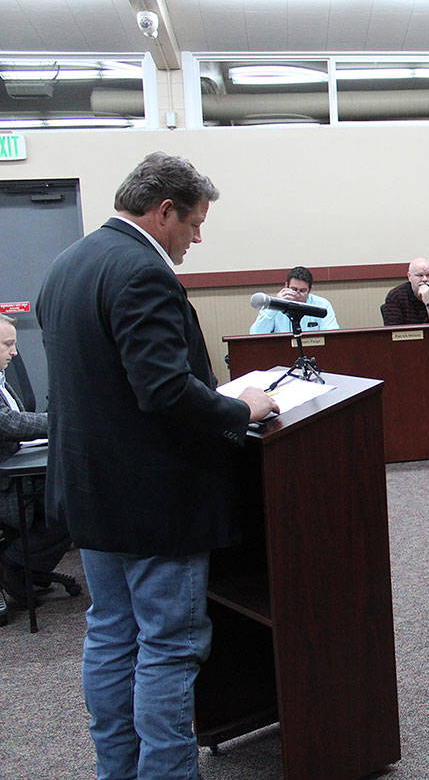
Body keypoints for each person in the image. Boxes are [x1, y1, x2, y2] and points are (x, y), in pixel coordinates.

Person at [37, 152, 278, 778]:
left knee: (110, 637)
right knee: (168, 649)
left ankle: (116, 770)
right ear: (164, 210)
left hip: (92, 498)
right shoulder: (142, 271)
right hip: (153, 506)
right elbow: (165, 389)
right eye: (195, 222)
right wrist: (238, 409)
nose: (198, 237)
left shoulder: (67, 264)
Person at [0, 315, 72, 608]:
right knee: (68, 505)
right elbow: (6, 424)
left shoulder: (2, 377)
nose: (14, 352)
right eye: (7, 344)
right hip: (5, 483)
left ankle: (27, 565)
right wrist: (58, 421)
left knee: (74, 495)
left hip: (17, 465)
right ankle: (15, 562)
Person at [248, 265, 339, 334]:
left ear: (310, 290)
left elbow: (331, 335)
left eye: (302, 291)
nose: (297, 295)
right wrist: (274, 307)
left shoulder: (322, 305)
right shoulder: (272, 306)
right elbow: (255, 333)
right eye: (293, 289)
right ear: (286, 286)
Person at [382, 257, 429, 325]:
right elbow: (393, 333)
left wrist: (428, 301)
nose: (425, 279)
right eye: (420, 275)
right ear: (409, 277)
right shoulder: (395, 296)